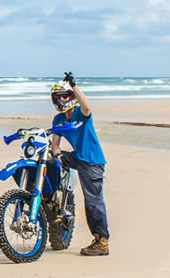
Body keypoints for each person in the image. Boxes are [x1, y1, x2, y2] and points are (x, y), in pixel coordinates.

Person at [47, 73, 110, 256]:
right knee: (46, 158)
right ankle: (57, 198)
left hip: (91, 162)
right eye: (57, 97)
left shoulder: (80, 114)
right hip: (76, 157)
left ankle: (102, 241)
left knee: (93, 201)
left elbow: (87, 105)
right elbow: (56, 145)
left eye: (64, 96)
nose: (61, 100)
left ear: (71, 96)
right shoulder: (58, 119)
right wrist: (57, 156)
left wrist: (74, 85)